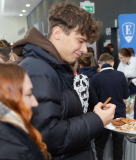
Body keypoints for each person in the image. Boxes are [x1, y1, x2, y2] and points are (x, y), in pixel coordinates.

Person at [12, 2, 116, 159]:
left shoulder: (54, 67)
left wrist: (94, 115)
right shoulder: (39, 70)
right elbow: (47, 136)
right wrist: (96, 120)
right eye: (80, 41)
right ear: (58, 33)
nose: (84, 49)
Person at [0, 62, 49, 159]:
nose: (35, 103)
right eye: (28, 94)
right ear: (3, 99)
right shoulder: (8, 148)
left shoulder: (2, 135)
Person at [91, 53, 129, 160]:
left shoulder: (94, 78)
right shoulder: (120, 75)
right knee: (118, 145)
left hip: (102, 116)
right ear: (113, 63)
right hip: (120, 115)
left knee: (100, 145)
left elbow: (93, 100)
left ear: (99, 65)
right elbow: (126, 95)